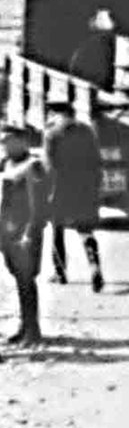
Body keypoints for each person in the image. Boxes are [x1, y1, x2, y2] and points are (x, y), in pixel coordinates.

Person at [43, 101, 104, 293]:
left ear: (56, 113)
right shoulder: (86, 131)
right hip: (85, 187)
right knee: (86, 231)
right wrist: (96, 186)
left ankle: (60, 273)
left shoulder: (51, 133)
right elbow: (97, 161)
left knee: (57, 229)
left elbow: (49, 166)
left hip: (61, 187)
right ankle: (95, 267)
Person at [1, 124, 47, 347]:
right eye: (3, 142)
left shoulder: (33, 167)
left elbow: (38, 206)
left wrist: (30, 233)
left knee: (27, 281)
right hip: (8, 235)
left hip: (25, 235)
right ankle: (24, 326)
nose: (5, 146)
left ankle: (33, 330)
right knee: (18, 280)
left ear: (22, 142)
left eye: (9, 142)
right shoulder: (5, 164)